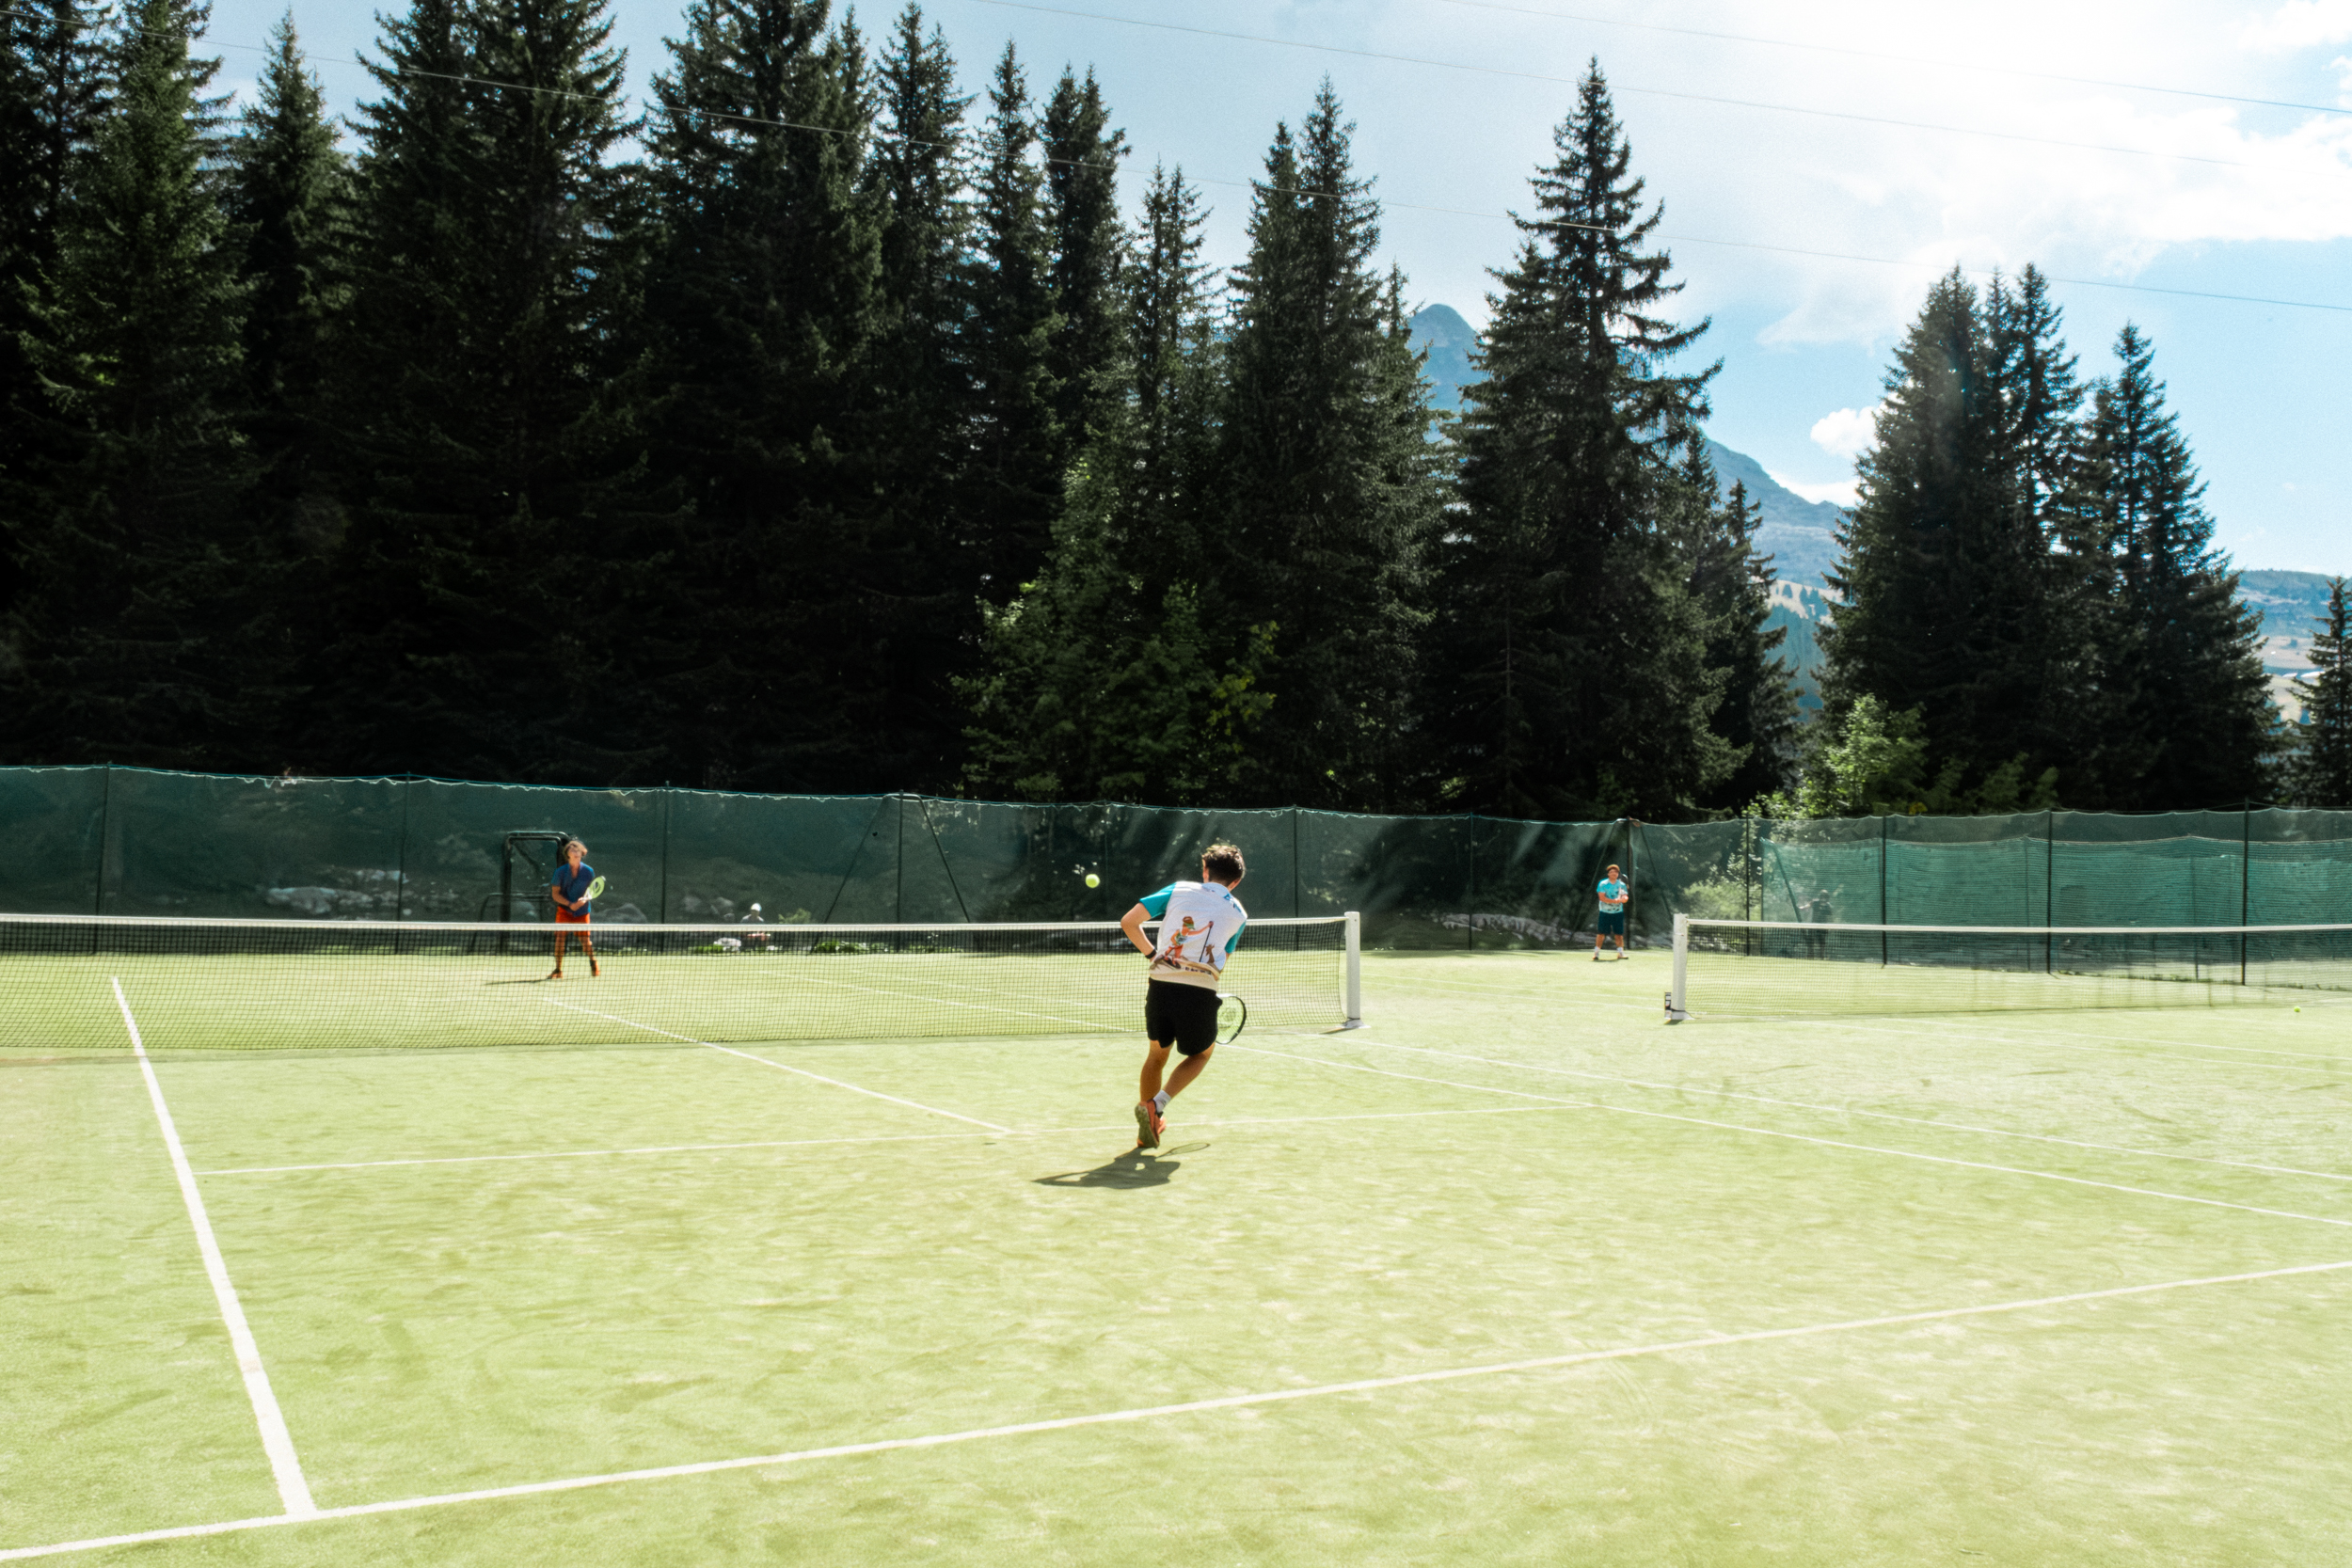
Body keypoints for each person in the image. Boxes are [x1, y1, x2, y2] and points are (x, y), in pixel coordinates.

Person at [1120, 843, 1248, 1151]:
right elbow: (1221, 961)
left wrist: (1153, 954)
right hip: (1201, 991)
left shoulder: (1178, 889)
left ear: (1205, 872)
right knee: (1201, 1055)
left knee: (1156, 1056)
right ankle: (1158, 1105)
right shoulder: (1240, 914)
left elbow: (1129, 922)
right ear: (1236, 882)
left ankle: (1145, 1128)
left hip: (1160, 985)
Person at [548, 838, 599, 979]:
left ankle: (593, 962)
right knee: (559, 939)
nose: (575, 852)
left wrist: (584, 900)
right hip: (564, 911)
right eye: (572, 850)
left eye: (577, 850)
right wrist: (570, 904)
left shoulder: (589, 871)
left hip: (582, 912)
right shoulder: (560, 872)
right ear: (568, 854)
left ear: (582, 853)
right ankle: (558, 969)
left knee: (585, 942)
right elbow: (555, 894)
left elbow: (591, 891)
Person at [1595, 863, 1629, 959]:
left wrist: (1625, 898)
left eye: (1616, 872)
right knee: (1601, 934)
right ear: (1608, 874)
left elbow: (1624, 895)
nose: (1614, 874)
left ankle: (1620, 954)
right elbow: (1602, 898)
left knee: (1619, 934)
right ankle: (1596, 953)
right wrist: (1615, 901)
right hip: (1605, 912)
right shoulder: (1603, 884)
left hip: (1618, 913)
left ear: (1618, 874)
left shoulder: (1622, 885)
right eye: (1612, 872)